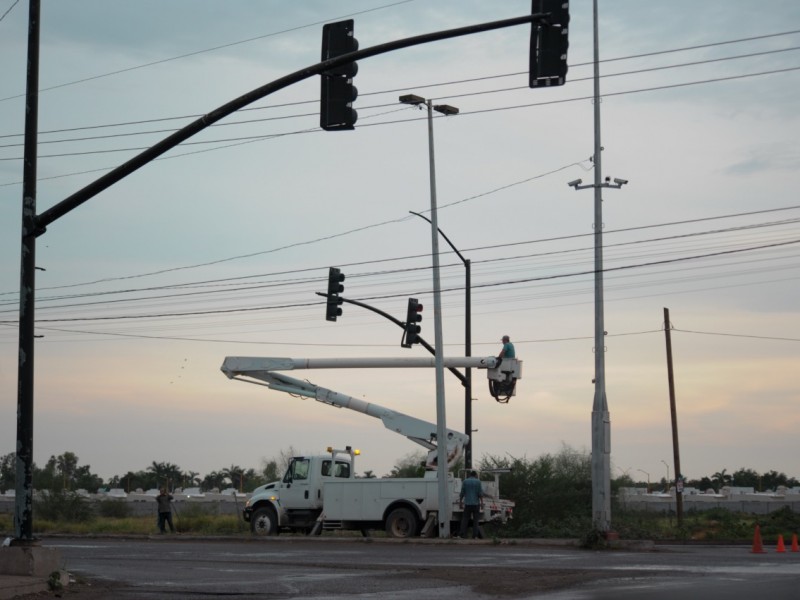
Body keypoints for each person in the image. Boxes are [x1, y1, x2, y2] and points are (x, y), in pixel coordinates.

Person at [458, 470, 488, 539]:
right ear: (475, 475)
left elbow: (462, 493)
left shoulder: (465, 481)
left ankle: (461, 534)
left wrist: (460, 502)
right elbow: (480, 493)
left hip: (467, 504)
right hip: (475, 504)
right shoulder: (478, 482)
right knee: (475, 521)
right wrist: (482, 503)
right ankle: (475, 536)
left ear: (470, 475)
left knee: (465, 520)